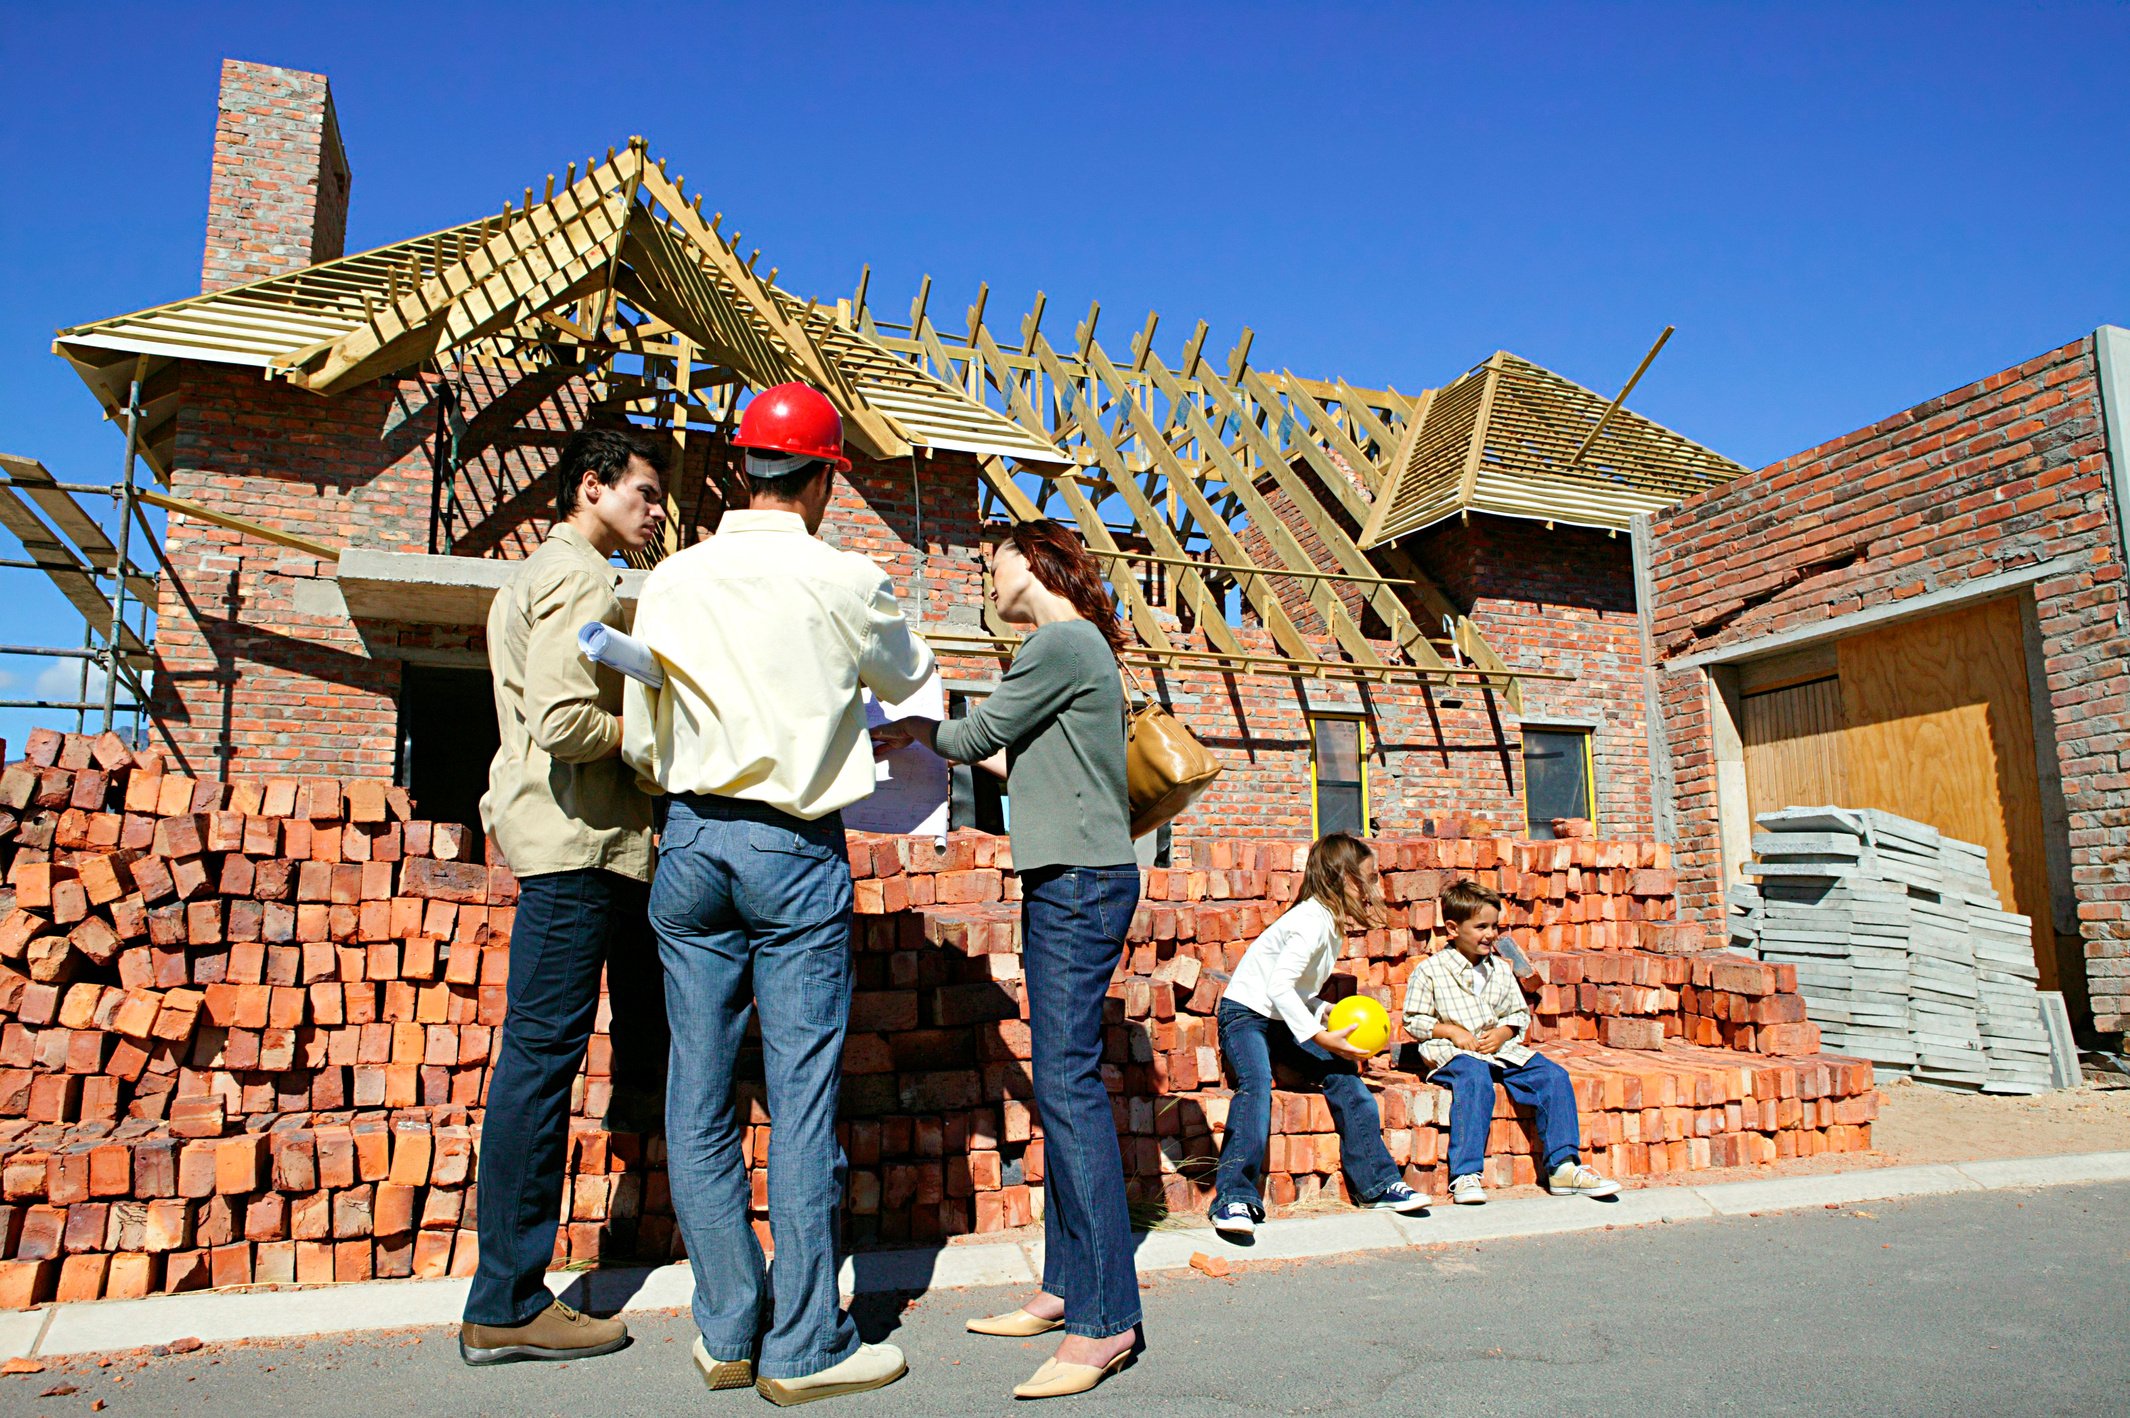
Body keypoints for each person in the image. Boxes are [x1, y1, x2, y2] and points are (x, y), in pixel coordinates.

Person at [623, 382, 933, 1405]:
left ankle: (728, 1330)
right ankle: (806, 1345)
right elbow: (909, 676)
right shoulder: (846, 576)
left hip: (692, 841)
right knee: (800, 1098)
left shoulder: (669, 577)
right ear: (821, 482)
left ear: (744, 465)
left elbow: (637, 732)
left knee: (698, 1090)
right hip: (794, 848)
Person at [871, 520, 1142, 1401]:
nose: (988, 579)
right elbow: (1015, 760)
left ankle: (1107, 1320)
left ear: (1032, 563)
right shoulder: (1073, 647)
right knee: (1062, 1080)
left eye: (993, 563)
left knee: (1066, 1086)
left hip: (1078, 882)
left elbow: (971, 741)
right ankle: (1067, 1289)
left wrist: (903, 714)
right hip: (1072, 877)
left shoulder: (1060, 641)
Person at [461, 426, 672, 1365]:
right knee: (540, 1067)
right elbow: (560, 717)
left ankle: (510, 1292)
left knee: (544, 1059)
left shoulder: (534, 574)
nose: (657, 510)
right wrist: (650, 734)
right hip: (579, 845)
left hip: (565, 839)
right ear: (592, 487)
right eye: (645, 492)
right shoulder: (585, 576)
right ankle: (505, 1301)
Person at [1209, 833, 1431, 1238]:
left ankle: (1378, 1185)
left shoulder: (1330, 923)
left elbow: (1296, 993)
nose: (1375, 888)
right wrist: (1320, 1036)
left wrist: (1323, 1012)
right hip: (1245, 1014)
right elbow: (1276, 987)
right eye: (1370, 877)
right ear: (1341, 877)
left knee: (1346, 1078)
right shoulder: (1311, 922)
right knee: (1255, 1086)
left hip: (1281, 1019)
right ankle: (1233, 1198)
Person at [1401, 879, 1620, 1204]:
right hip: (1453, 1053)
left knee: (1553, 1077)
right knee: (1475, 1081)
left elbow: (1517, 1014)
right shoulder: (1430, 972)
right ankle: (1465, 1175)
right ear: (1452, 928)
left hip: (1499, 1050)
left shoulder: (1499, 971)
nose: (1490, 934)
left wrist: (1503, 1033)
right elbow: (1413, 1020)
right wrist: (1450, 1031)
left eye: (1494, 926)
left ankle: (1563, 1166)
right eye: (1481, 927)